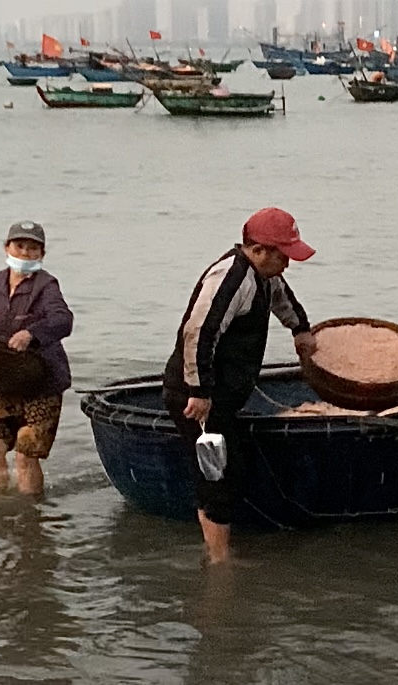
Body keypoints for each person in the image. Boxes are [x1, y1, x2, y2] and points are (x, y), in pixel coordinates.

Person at [163, 208, 318, 564]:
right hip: (195, 396)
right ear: (260, 249)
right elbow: (198, 333)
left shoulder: (264, 275)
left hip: (221, 397)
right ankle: (218, 560)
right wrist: (200, 392)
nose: (287, 264)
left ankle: (218, 549)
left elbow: (282, 299)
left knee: (234, 469)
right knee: (218, 477)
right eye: (284, 255)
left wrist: (301, 330)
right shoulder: (231, 277)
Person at [0, 221, 74, 496]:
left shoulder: (47, 286)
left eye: (33, 248)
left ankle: (30, 519)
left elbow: (63, 321)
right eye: (20, 246)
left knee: (25, 453)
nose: (25, 253)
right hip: (5, 380)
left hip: (43, 382)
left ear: (41, 254)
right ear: (6, 247)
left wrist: (31, 333)